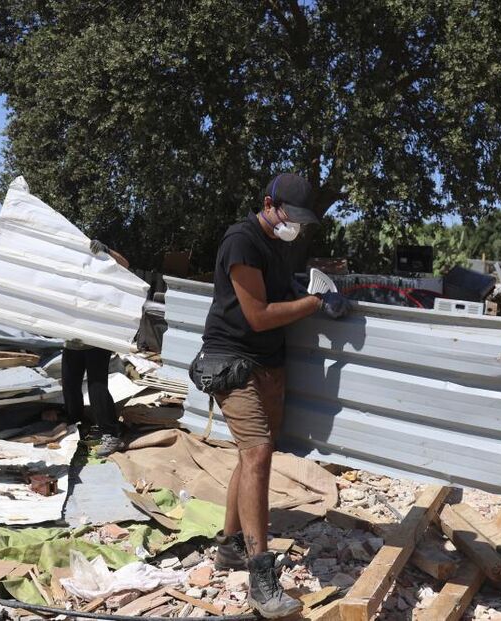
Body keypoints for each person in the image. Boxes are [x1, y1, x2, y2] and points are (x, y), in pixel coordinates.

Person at [193, 173, 349, 618]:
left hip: (268, 361)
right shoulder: (240, 243)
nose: (295, 226)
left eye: (302, 220)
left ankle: (229, 546)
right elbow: (258, 315)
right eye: (291, 217)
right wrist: (316, 304)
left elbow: (280, 295)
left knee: (251, 456)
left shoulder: (281, 244)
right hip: (230, 359)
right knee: (259, 453)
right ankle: (262, 580)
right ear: (268, 204)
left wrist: (316, 290)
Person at [61, 239, 130, 457]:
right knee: (70, 386)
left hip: (97, 340)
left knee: (97, 387)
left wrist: (107, 250)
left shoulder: (101, 267)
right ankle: (77, 425)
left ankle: (111, 433)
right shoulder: (68, 273)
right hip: (73, 340)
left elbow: (125, 265)